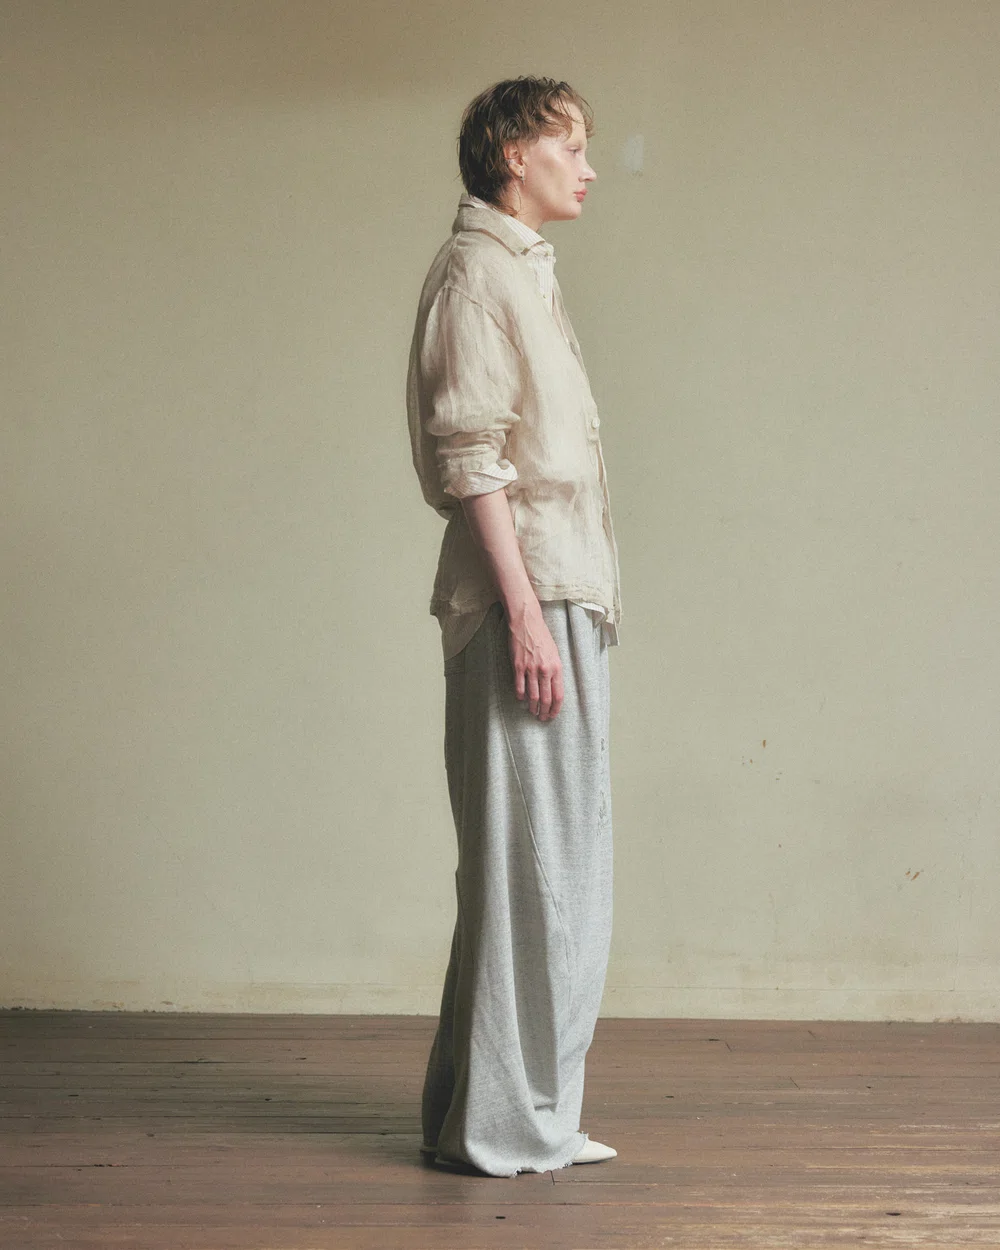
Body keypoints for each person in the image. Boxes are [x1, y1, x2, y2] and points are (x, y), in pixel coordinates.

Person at [406, 76, 622, 1178]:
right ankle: (507, 1126)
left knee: (547, 868)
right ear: (511, 155)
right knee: (532, 875)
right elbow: (471, 458)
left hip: (554, 592)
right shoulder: (477, 274)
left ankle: (489, 1115)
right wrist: (526, 616)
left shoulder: (520, 269)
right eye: (569, 145)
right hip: (520, 599)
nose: (589, 166)